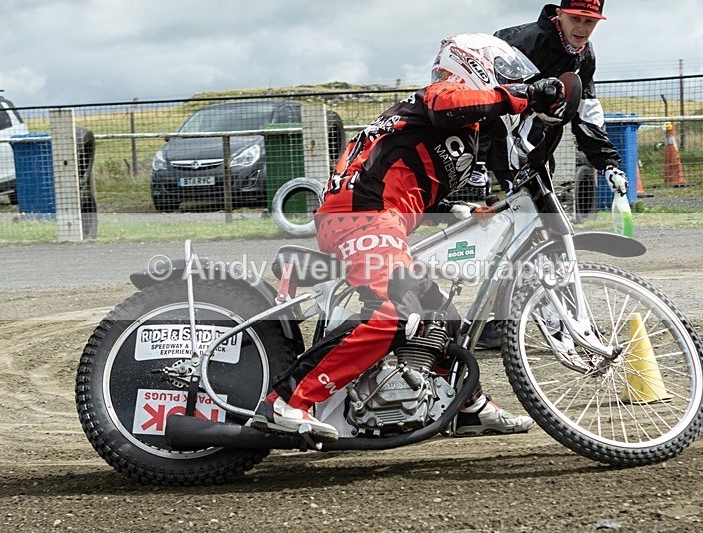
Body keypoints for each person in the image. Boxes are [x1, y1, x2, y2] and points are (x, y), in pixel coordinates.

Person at [251, 34, 567, 443]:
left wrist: (454, 209)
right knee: (393, 314)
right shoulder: (442, 94)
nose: (503, 82)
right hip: (361, 217)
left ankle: (466, 404)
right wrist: (520, 96)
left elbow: (406, 178)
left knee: (439, 313)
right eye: (500, 73)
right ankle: (290, 401)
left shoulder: (461, 126)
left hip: (376, 217)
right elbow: (444, 106)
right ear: (474, 65)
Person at [475, 0, 630, 349]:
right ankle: (562, 325)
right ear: (559, 15)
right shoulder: (521, 42)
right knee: (546, 234)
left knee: (531, 235)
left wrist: (608, 163)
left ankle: (495, 325)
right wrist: (480, 167)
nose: (583, 29)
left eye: (591, 22)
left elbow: (586, 114)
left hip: (536, 152)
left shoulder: (584, 55)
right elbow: (485, 104)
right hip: (499, 148)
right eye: (576, 19)